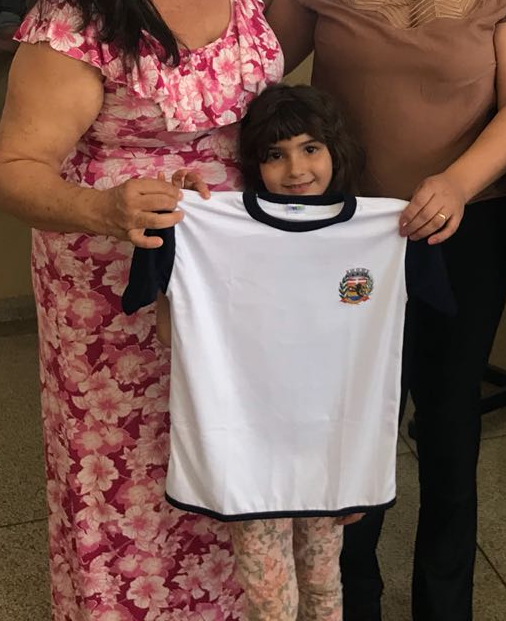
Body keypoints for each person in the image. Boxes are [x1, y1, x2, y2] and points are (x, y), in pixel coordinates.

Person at [0, 0, 283, 620]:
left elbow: (271, 61)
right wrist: (106, 211)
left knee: (229, 452)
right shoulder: (75, 15)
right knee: (132, 479)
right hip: (117, 289)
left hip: (231, 270)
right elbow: (8, 171)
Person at [266, 0, 506, 621]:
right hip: (343, 232)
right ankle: (351, 599)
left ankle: (444, 607)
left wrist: (457, 182)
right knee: (353, 422)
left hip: (468, 224)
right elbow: (260, 75)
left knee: (451, 425)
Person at [155, 84, 370, 621]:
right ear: (255, 164)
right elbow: (170, 331)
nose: (296, 169)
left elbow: (377, 356)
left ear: (335, 150)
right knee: (270, 599)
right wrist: (183, 230)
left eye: (310, 148)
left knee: (324, 585)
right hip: (250, 451)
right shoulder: (230, 238)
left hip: (325, 451)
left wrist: (360, 467)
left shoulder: (370, 236)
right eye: (276, 154)